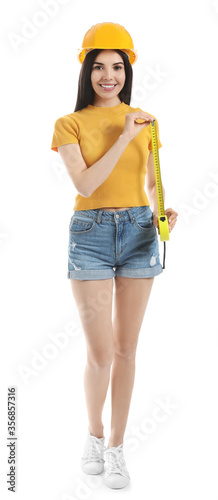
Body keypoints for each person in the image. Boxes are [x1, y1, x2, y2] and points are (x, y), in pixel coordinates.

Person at [51, 22, 178, 490]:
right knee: (100, 353)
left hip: (141, 232)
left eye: (117, 66)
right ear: (87, 70)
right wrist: (123, 135)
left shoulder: (147, 120)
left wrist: (162, 210)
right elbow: (85, 184)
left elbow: (150, 181)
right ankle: (93, 434)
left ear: (128, 70)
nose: (109, 76)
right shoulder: (70, 123)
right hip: (91, 234)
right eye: (100, 66)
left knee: (127, 349)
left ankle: (117, 448)